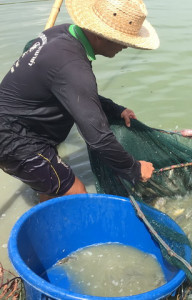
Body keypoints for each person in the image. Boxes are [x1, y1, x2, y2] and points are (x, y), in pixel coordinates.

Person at [0, 0, 159, 202]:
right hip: (15, 138)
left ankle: (48, 206)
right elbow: (98, 138)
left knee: (53, 187)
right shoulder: (73, 66)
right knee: (75, 194)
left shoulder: (62, 33)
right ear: (101, 35)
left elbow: (72, 92)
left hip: (21, 123)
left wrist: (115, 110)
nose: (126, 46)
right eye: (122, 40)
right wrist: (134, 168)